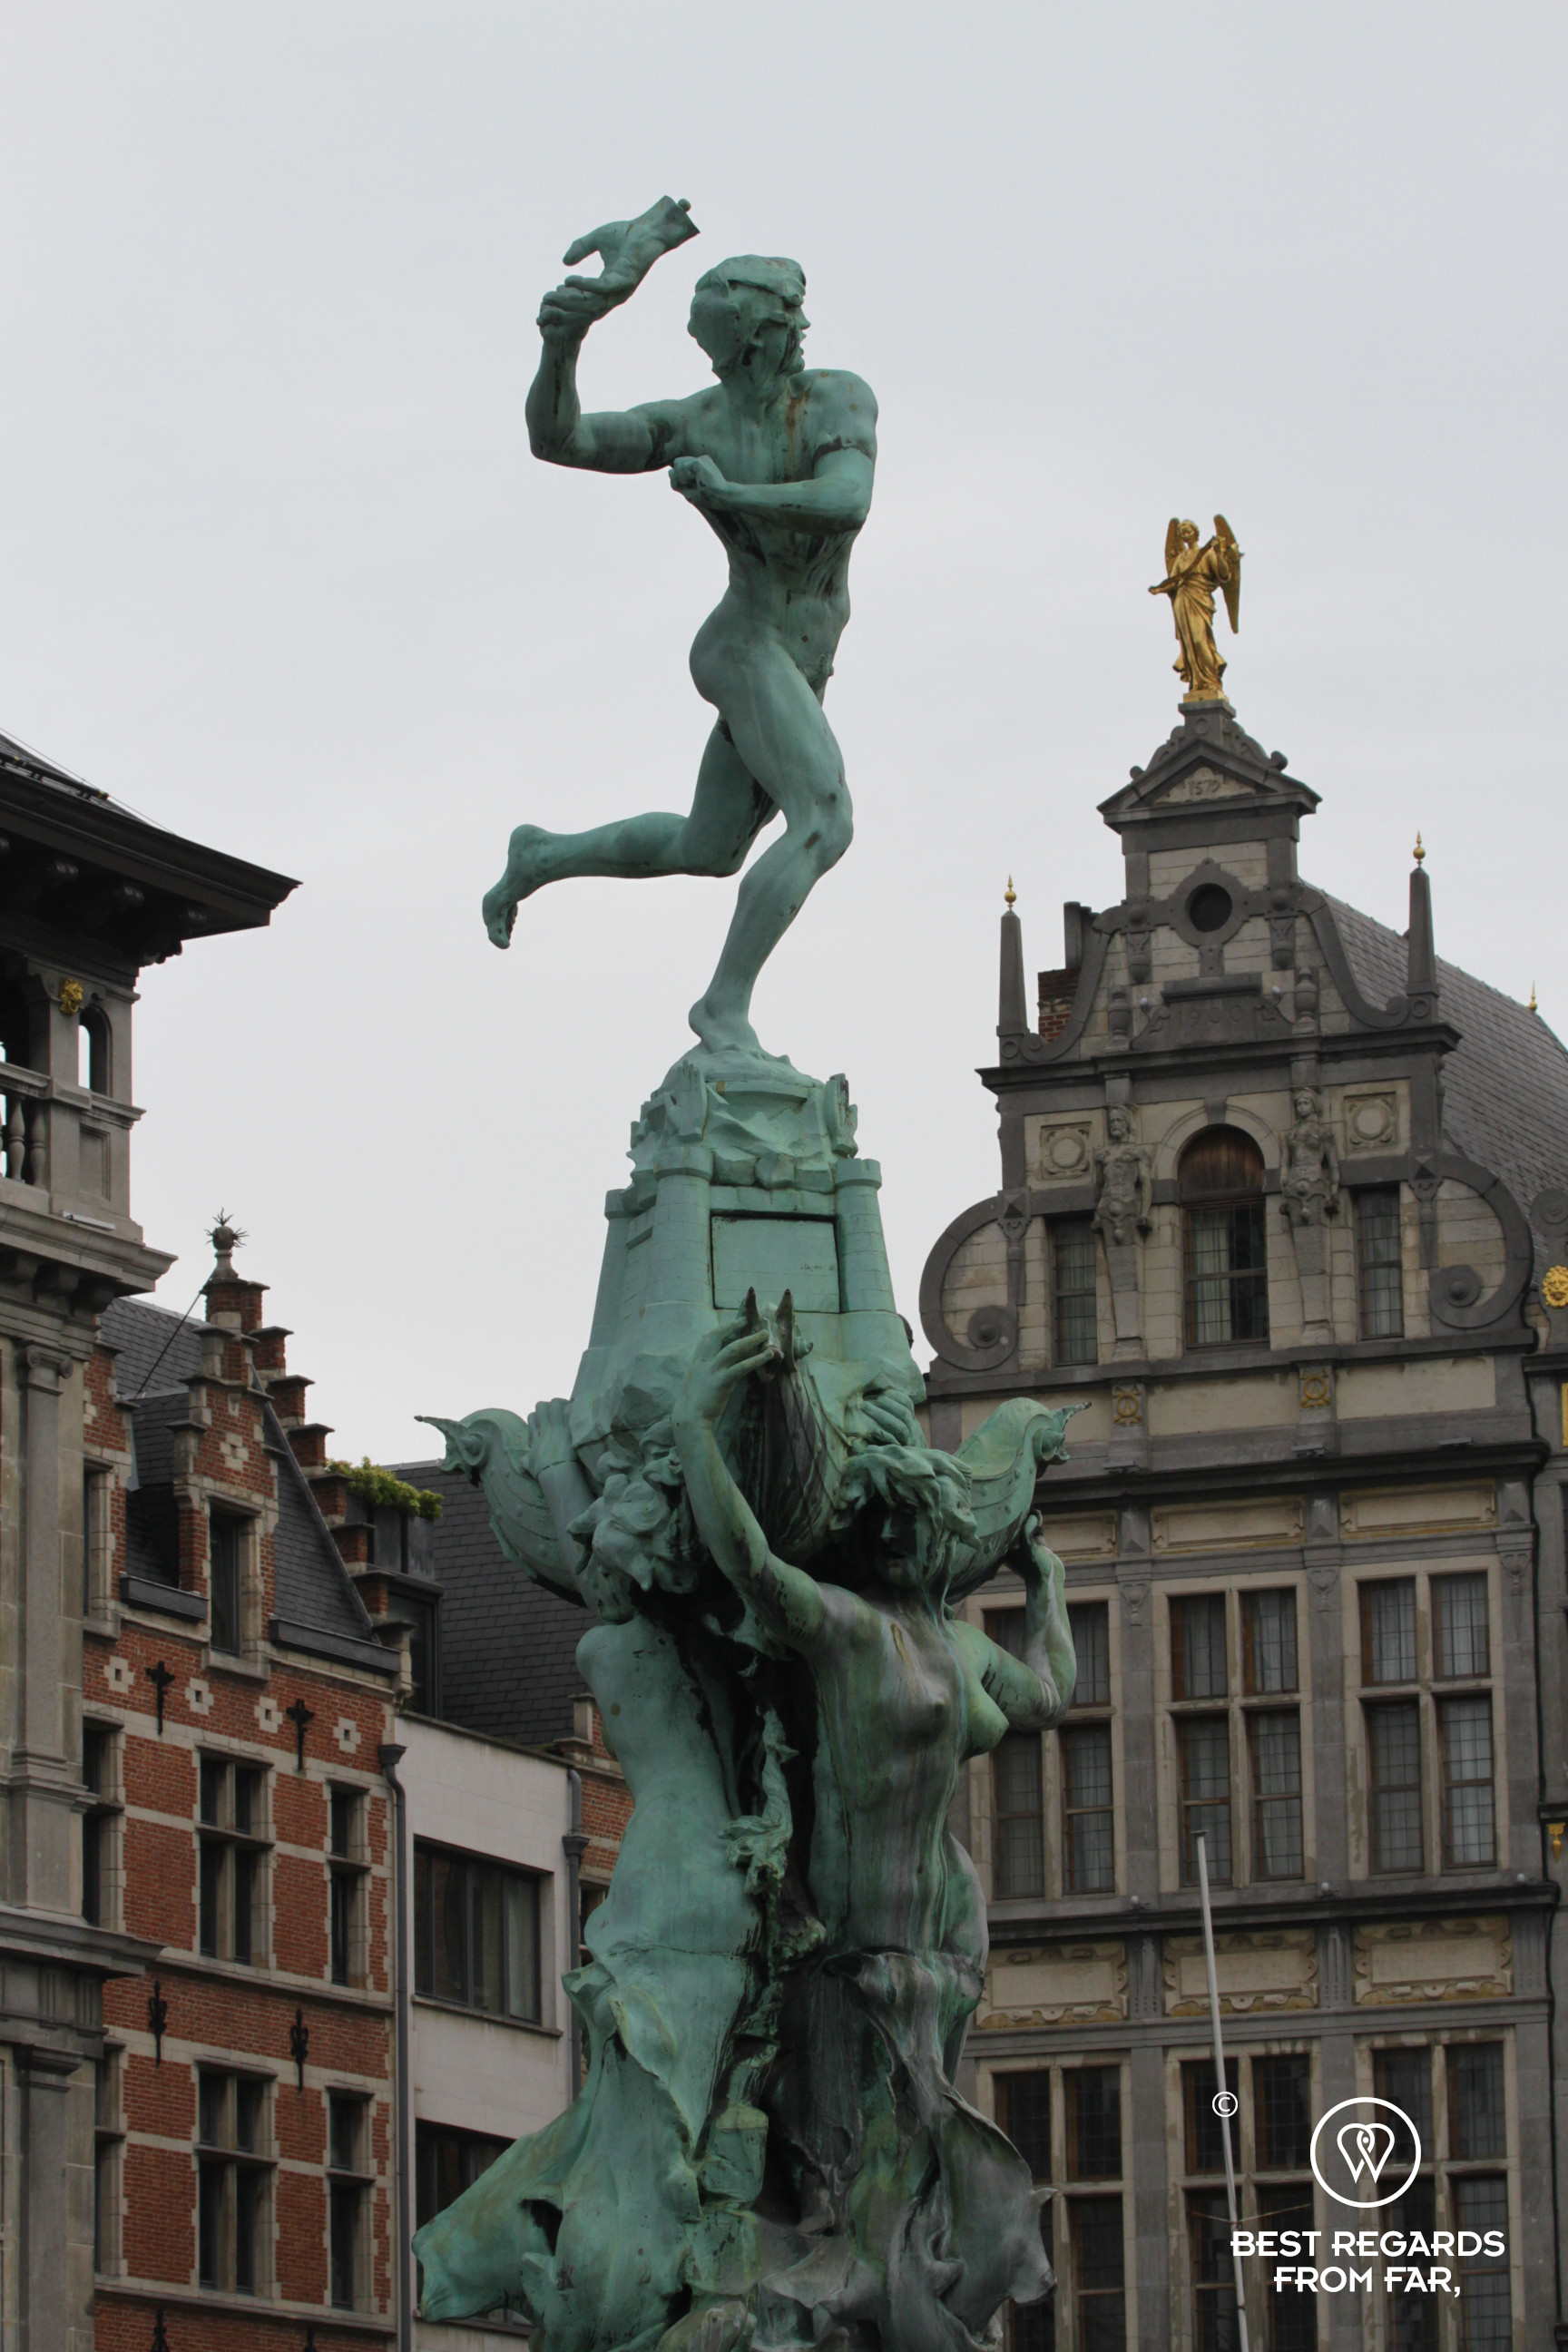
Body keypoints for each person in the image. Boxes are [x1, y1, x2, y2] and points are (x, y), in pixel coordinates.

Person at [673, 1322, 1073, 2351]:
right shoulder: (844, 1627)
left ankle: (909, 2285)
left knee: (920, 2151)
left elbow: (1053, 1697)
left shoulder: (957, 1645)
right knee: (839, 2157)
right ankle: (847, 2286)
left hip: (944, 1919)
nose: (901, 1537)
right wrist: (692, 1431)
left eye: (917, 1519)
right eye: (887, 1516)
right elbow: (752, 1563)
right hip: (850, 1925)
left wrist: (1049, 1584)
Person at [485, 235, 877, 1059]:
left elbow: (847, 500)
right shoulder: (693, 422)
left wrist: (733, 493)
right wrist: (563, 344)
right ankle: (722, 1008)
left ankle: (540, 856)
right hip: (744, 645)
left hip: (801, 659)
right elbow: (561, 439)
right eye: (783, 319)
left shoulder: (838, 397)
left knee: (710, 847)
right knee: (825, 818)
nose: (799, 331)